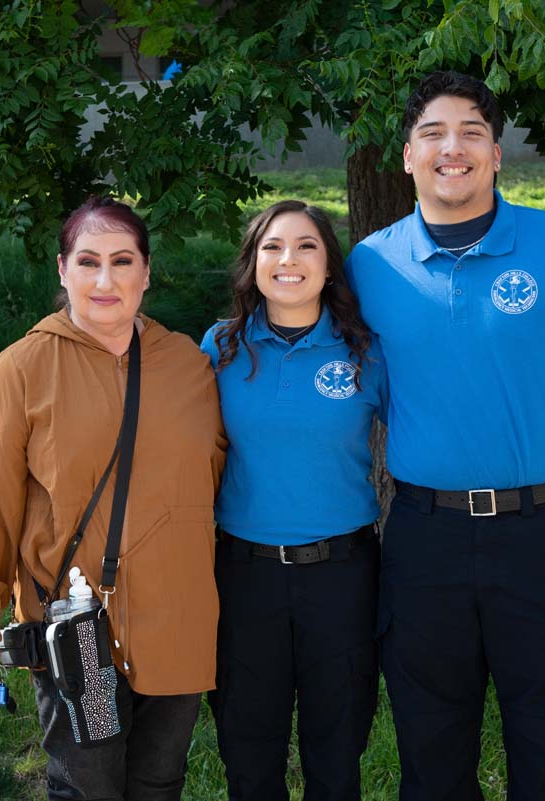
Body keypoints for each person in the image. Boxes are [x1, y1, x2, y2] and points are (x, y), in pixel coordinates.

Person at [345, 71, 545, 801]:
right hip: (425, 537)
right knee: (431, 754)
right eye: (433, 133)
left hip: (542, 533)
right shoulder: (369, 265)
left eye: (472, 133)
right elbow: (349, 394)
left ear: (497, 154)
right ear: (408, 155)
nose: (453, 148)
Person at [0, 197, 226, 801]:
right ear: (62, 270)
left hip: (177, 620)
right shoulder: (22, 369)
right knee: (87, 788)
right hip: (79, 634)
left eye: (122, 261)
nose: (105, 280)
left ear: (146, 273)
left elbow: (216, 477)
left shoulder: (188, 366)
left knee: (159, 783)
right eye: (88, 261)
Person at [199, 200, 387, 801]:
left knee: (337, 753)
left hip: (342, 575)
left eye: (307, 246)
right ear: (252, 264)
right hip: (244, 575)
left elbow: (431, 423)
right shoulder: (220, 348)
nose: (289, 259)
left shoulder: (364, 351)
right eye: (273, 246)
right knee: (248, 754)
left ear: (329, 266)